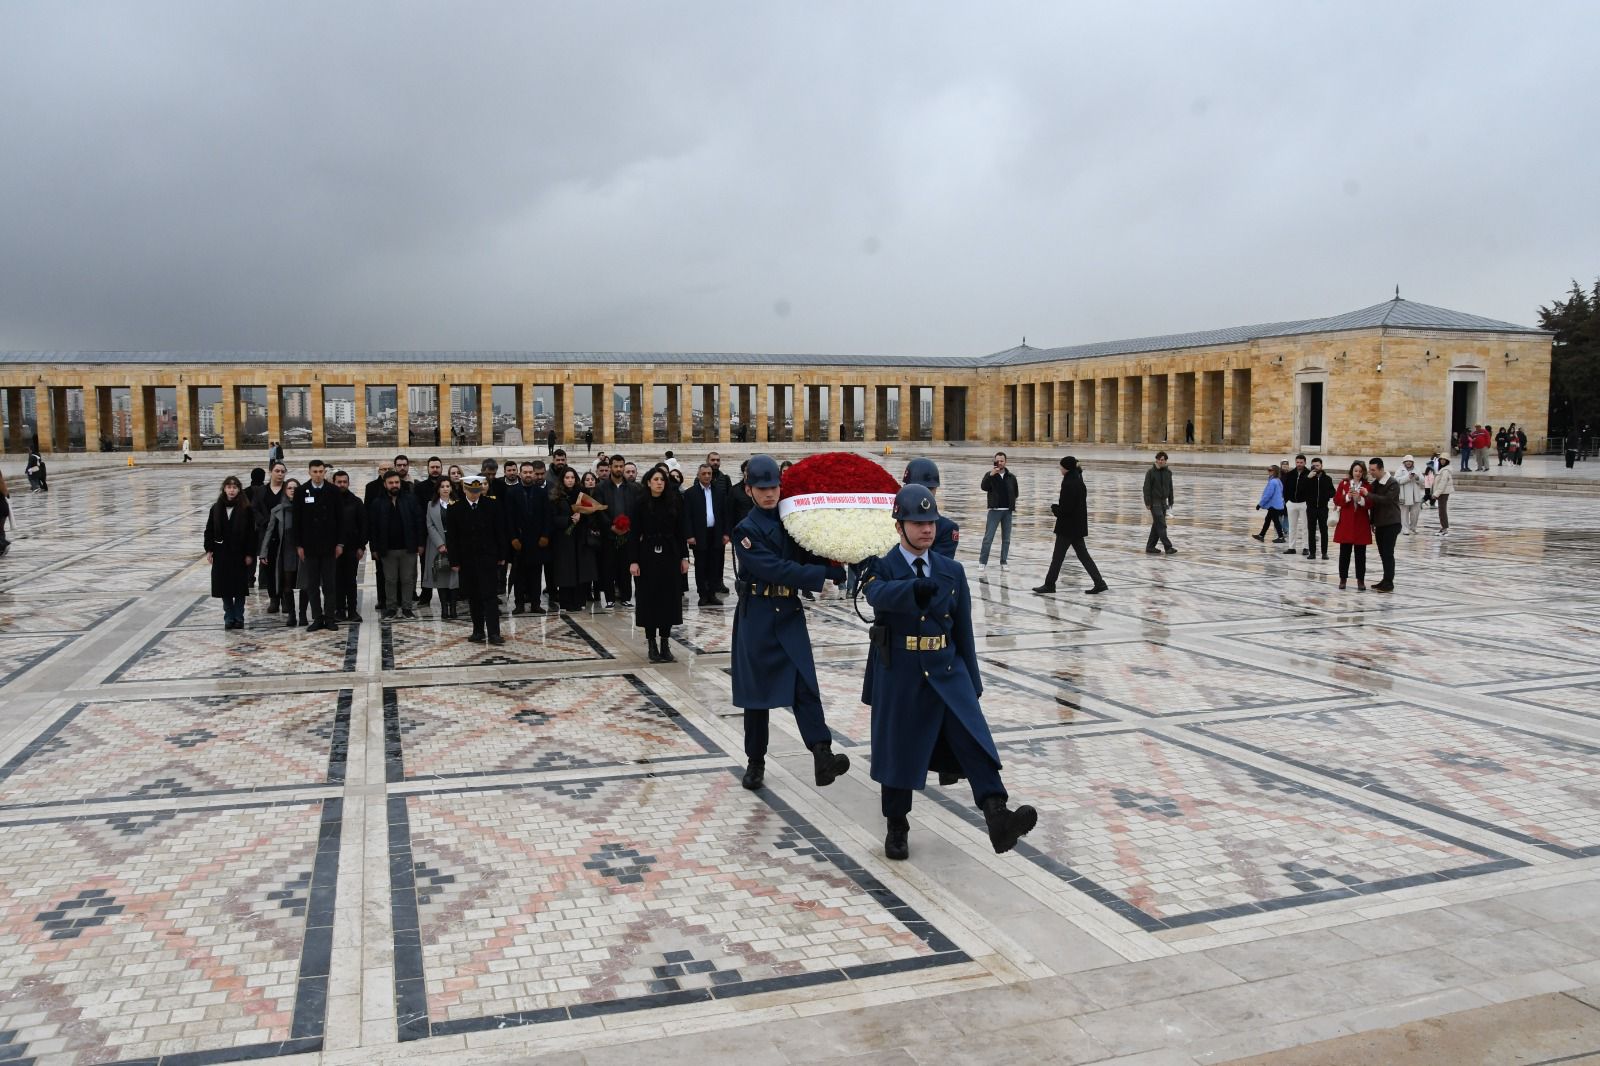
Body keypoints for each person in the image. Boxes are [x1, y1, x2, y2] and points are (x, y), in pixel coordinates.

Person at [858, 484, 1038, 861]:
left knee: (973, 737)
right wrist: (911, 591)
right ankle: (897, 825)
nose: (927, 529)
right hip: (901, 671)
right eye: (918, 523)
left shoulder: (951, 570)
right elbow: (876, 596)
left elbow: (963, 630)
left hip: (946, 668)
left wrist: (972, 682)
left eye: (931, 522)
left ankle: (997, 815)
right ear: (899, 526)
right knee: (898, 751)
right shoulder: (881, 565)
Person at [730, 454, 850, 792]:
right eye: (762, 488)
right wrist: (820, 574)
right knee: (757, 696)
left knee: (804, 684)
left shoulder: (792, 521)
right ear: (749, 490)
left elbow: (808, 550)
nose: (769, 494)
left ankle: (822, 754)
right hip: (758, 614)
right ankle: (755, 761)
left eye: (774, 487)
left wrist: (836, 559)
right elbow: (775, 568)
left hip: (788, 612)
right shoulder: (745, 530)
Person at [629, 468, 691, 661]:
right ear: (648, 482)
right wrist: (633, 560)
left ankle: (665, 642)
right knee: (649, 599)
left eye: (662, 480)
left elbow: (681, 531)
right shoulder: (640, 503)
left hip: (670, 554)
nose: (659, 483)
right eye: (655, 479)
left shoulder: (674, 501)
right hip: (647, 555)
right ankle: (651, 644)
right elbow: (633, 534)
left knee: (668, 599)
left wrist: (684, 557)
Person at [446, 474, 508, 644]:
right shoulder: (455, 508)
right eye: (472, 491)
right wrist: (454, 561)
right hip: (467, 560)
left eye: (477, 490)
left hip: (488, 558)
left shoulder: (492, 505)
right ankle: (478, 631)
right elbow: (452, 538)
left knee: (490, 596)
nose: (475, 494)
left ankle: (494, 633)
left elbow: (500, 531)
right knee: (474, 597)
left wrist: (502, 555)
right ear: (464, 489)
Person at [1033, 456, 1107, 596]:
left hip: (1067, 527)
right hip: (1077, 526)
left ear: (1066, 468)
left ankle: (1049, 584)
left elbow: (1066, 509)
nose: (1060, 469)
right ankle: (1099, 583)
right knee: (1083, 556)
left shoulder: (1069, 483)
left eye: (1061, 467)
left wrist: (1055, 509)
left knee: (1058, 557)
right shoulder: (1078, 479)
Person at [293, 459, 345, 632]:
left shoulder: (333, 490)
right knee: (312, 584)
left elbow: (340, 519)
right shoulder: (301, 491)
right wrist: (299, 545)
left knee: (329, 584)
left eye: (321, 471)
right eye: (314, 471)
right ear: (309, 472)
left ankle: (330, 617)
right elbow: (297, 520)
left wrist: (340, 543)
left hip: (329, 545)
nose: (318, 475)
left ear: (325, 472)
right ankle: (317, 617)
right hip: (310, 546)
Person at [369, 468, 425, 620]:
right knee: (390, 580)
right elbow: (373, 527)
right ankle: (391, 608)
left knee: (408, 579)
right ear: (385, 484)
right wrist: (374, 548)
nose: (394, 485)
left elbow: (419, 522)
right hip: (387, 549)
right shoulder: (377, 503)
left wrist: (420, 543)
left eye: (396, 482)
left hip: (408, 548)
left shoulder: (410, 499)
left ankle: (407, 608)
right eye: (391, 483)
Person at [204, 476, 255, 629]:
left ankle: (239, 617)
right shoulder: (216, 508)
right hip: (222, 553)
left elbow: (251, 533)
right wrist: (209, 549)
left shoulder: (246, 508)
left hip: (239, 553)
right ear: (224, 489)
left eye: (234, 487)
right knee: (224, 587)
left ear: (239, 489)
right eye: (229, 487)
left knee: (239, 588)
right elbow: (209, 530)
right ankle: (229, 617)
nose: (231, 490)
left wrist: (249, 553)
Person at [549, 466, 600, 614]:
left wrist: (581, 516)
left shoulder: (582, 494)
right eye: (567, 478)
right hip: (564, 539)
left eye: (572, 477)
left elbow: (592, 515)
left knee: (580, 570)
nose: (570, 480)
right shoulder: (557, 496)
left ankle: (579, 601)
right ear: (562, 480)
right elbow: (553, 518)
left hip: (580, 538)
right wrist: (568, 520)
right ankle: (566, 601)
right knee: (566, 571)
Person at [596, 454, 643, 608]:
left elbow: (636, 510)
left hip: (627, 534)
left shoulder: (633, 488)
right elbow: (599, 510)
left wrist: (628, 527)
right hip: (609, 534)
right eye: (615, 466)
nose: (618, 469)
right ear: (610, 467)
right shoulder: (601, 488)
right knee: (608, 567)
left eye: (621, 466)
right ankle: (609, 598)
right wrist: (611, 526)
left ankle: (626, 597)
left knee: (625, 566)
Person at [507, 461, 551, 614]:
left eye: (530, 472)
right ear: (520, 474)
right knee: (519, 574)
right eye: (525, 472)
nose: (528, 475)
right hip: (520, 540)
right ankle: (519, 604)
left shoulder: (541, 492)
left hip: (537, 540)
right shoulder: (512, 492)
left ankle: (535, 603)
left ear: (533, 474)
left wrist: (545, 535)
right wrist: (513, 538)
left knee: (535, 574)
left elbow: (547, 515)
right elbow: (509, 518)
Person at [684, 463, 729, 606]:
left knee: (715, 565)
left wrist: (726, 533)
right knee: (701, 565)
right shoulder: (690, 493)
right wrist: (689, 535)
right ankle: (703, 594)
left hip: (716, 533)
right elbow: (687, 516)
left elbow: (724, 514)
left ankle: (712, 594)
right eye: (704, 473)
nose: (707, 476)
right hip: (699, 534)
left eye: (709, 473)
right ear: (698, 475)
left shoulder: (719, 492)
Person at [260, 479, 304, 626]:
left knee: (305, 584)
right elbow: (269, 531)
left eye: (295, 488)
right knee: (287, 584)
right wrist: (263, 552)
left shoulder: (306, 507)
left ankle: (303, 614)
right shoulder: (278, 510)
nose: (292, 490)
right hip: (287, 551)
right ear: (285, 490)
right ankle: (291, 614)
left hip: (303, 551)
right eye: (289, 488)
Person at [421, 478, 460, 619]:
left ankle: (453, 608)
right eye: (442, 486)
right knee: (441, 575)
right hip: (437, 545)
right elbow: (429, 525)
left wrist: (454, 543)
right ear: (438, 489)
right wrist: (440, 544)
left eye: (448, 486)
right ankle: (444, 608)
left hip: (455, 544)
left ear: (451, 488)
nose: (445, 489)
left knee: (454, 577)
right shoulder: (431, 505)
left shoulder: (458, 503)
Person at [903, 458, 959, 557]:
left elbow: (941, 564)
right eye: (916, 488)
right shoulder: (893, 519)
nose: (922, 494)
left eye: (927, 489)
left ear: (935, 490)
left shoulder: (946, 528)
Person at [252, 462, 288, 610]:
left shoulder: (288, 489)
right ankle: (274, 598)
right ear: (270, 472)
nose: (280, 474)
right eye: (277, 471)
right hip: (266, 533)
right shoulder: (261, 491)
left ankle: (285, 598)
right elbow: (254, 509)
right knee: (269, 567)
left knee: (285, 568)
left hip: (284, 533)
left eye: (282, 471)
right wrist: (264, 521)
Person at [332, 469, 366, 623]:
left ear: (348, 483)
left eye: (344, 482)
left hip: (352, 548)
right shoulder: (328, 501)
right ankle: (339, 610)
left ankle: (352, 610)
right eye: (339, 482)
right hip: (333, 550)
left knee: (351, 580)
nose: (342, 484)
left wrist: (361, 546)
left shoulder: (356, 502)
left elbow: (363, 525)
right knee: (336, 580)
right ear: (333, 483)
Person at [977, 451, 1019, 573]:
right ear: (994, 461)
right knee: (988, 538)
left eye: (1002, 461)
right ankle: (982, 562)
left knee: (1006, 539)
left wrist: (1010, 503)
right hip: (994, 511)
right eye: (997, 461)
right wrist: (991, 475)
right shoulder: (989, 475)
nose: (1000, 463)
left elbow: (1015, 493)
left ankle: (1004, 561)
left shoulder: (1011, 477)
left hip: (1007, 511)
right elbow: (983, 487)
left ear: (1005, 462)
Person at [1333, 461, 1372, 591]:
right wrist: (1348, 496)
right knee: (1344, 554)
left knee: (1360, 555)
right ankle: (1342, 579)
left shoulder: (1366, 486)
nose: (1358, 473)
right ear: (1352, 471)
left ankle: (1360, 580)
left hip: (1361, 523)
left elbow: (1371, 503)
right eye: (1356, 471)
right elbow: (1336, 500)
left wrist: (1360, 499)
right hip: (1346, 523)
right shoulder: (1344, 484)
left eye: (1360, 471)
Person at [1366, 458, 1401, 593]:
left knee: (1388, 553)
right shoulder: (1375, 483)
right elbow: (1374, 505)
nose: (1371, 472)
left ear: (1381, 469)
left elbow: (1386, 500)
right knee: (1383, 554)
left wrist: (1368, 494)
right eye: (1370, 469)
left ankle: (1389, 582)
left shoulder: (1392, 483)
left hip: (1391, 523)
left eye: (1373, 470)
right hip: (1380, 523)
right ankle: (1385, 580)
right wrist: (1372, 522)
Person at [1143, 451, 1176, 554]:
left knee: (1157, 525)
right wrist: (1147, 502)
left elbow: (1170, 487)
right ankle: (1168, 547)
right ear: (1156, 460)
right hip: (1154, 502)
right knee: (1161, 524)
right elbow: (1146, 488)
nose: (1161, 461)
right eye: (1159, 459)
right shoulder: (1150, 472)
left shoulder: (1168, 472)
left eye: (1163, 460)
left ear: (1165, 461)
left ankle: (1150, 547)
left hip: (1163, 502)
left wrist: (1171, 500)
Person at [1302, 457, 1334, 560]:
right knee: (1311, 531)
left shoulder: (1327, 478)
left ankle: (1324, 553)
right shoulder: (1308, 478)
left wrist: (1326, 496)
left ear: (1321, 466)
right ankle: (1312, 553)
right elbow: (1302, 490)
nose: (1316, 467)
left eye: (1317, 465)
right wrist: (1308, 478)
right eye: (1314, 466)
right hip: (1311, 508)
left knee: (1324, 530)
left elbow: (1333, 492)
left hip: (1322, 508)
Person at [1281, 455, 1310, 556]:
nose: (1299, 464)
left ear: (1305, 463)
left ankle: (1305, 547)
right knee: (1292, 526)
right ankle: (1291, 547)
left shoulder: (1309, 474)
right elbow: (1285, 488)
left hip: (1304, 503)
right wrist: (1287, 501)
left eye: (1301, 462)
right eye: (1297, 462)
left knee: (1305, 526)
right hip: (1292, 503)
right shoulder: (1290, 474)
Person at [1251, 465, 1287, 543]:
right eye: (1268, 470)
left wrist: (1260, 504)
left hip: (1274, 505)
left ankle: (1281, 537)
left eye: (1270, 470)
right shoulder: (1278, 480)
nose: (1268, 471)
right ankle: (1261, 535)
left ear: (1275, 472)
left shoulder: (1273, 482)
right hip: (1276, 504)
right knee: (1268, 519)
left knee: (1276, 521)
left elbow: (1268, 495)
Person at [1396, 455, 1425, 535]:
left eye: (1410, 461)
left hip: (1415, 495)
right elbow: (1397, 480)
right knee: (1404, 513)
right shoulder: (1400, 470)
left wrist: (1417, 478)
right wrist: (1408, 477)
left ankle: (1413, 527)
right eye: (1407, 461)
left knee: (1415, 513)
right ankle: (1405, 528)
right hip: (1404, 495)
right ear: (1404, 462)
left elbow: (1422, 480)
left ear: (1412, 462)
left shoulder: (1417, 469)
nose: (1408, 463)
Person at [1433, 455, 1455, 535]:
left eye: (1444, 460)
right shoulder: (1443, 469)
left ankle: (1445, 528)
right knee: (1441, 510)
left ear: (1447, 461)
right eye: (1441, 459)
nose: (1442, 461)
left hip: (1443, 493)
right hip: (1442, 492)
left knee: (1442, 511)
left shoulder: (1445, 470)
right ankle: (1443, 528)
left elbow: (1443, 483)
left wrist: (1436, 494)